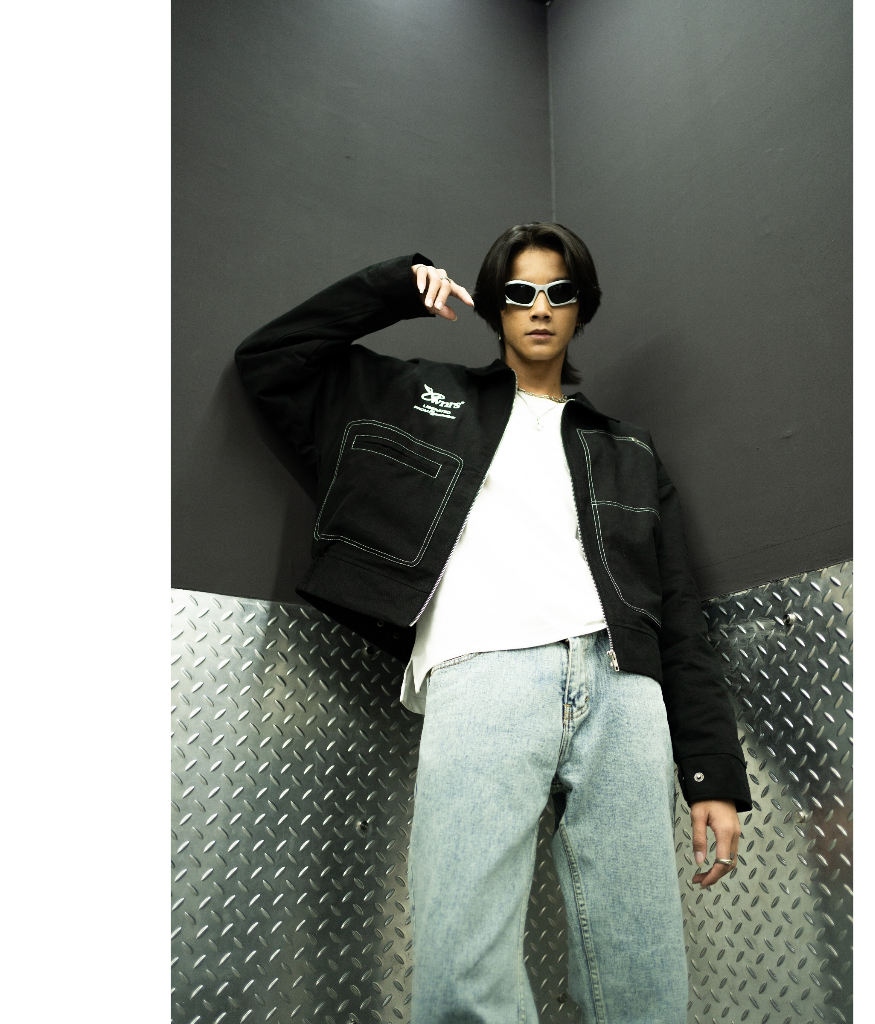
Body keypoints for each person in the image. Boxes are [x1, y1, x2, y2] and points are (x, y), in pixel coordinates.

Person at [235, 222, 752, 1023]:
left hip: (623, 692)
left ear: (581, 308)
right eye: (519, 292)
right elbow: (269, 362)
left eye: (558, 292)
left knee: (642, 975)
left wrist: (712, 772)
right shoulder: (420, 399)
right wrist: (392, 287)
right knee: (462, 970)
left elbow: (679, 611)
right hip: (484, 674)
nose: (539, 308)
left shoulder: (629, 450)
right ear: (496, 307)